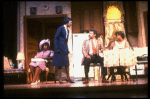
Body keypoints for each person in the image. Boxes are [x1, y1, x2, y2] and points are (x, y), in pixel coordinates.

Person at [52, 17, 74, 84]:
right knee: (60, 64)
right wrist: (56, 48)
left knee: (67, 63)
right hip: (59, 48)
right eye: (70, 22)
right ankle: (60, 79)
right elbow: (55, 38)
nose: (71, 24)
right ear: (67, 22)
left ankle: (68, 77)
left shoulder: (67, 30)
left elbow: (65, 41)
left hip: (64, 48)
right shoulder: (60, 28)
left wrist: (67, 49)